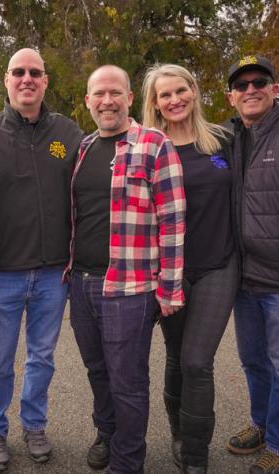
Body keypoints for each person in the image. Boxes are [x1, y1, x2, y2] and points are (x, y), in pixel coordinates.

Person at [0, 48, 83, 471]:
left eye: (35, 72)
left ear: (46, 81)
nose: (27, 78)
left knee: (42, 358)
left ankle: (34, 424)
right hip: (1, 275)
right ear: (6, 78)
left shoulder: (69, 133)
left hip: (54, 274)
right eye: (19, 72)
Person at [64, 65, 186, 474]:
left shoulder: (154, 144)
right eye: (99, 94)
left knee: (128, 381)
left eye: (115, 92)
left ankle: (128, 461)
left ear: (130, 98)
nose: (107, 101)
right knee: (97, 371)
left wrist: (169, 289)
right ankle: (108, 433)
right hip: (80, 284)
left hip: (130, 288)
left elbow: (173, 220)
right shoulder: (83, 149)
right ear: (88, 101)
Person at [142, 64, 238, 473]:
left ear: (194, 91)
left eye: (181, 90)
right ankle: (179, 434)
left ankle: (196, 457)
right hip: (171, 271)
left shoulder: (223, 141)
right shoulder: (149, 149)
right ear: (155, 104)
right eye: (165, 95)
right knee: (177, 357)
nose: (174, 99)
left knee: (198, 361)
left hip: (219, 264)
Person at [224, 55, 279, 474]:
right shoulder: (228, 140)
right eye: (242, 85)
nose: (251, 90)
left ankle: (277, 443)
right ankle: (260, 424)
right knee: (254, 361)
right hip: (244, 279)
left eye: (259, 81)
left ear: (274, 89)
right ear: (232, 96)